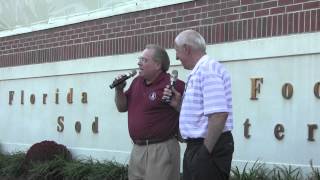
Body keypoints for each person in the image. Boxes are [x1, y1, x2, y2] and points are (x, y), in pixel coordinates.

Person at [163, 30, 234, 180]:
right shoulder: (201, 70)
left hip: (207, 147)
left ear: (187, 49)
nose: (176, 57)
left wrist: (204, 152)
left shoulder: (207, 70)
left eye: (177, 51)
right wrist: (178, 105)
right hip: (200, 146)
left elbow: (219, 114)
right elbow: (204, 114)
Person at [114, 44, 185, 180]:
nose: (139, 63)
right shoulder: (136, 82)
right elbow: (122, 107)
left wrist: (179, 105)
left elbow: (190, 111)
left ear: (158, 65)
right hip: (137, 149)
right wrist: (119, 90)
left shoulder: (174, 85)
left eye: (144, 60)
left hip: (161, 149)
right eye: (140, 59)